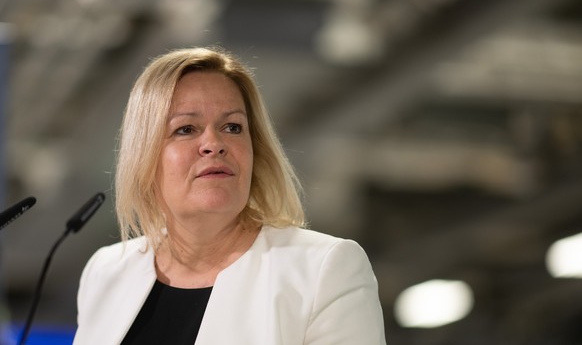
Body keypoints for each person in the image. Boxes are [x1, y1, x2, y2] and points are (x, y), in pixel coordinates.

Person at [73, 47, 386, 345]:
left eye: (233, 127)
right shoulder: (106, 271)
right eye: (185, 129)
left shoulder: (322, 268)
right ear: (144, 153)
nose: (214, 143)